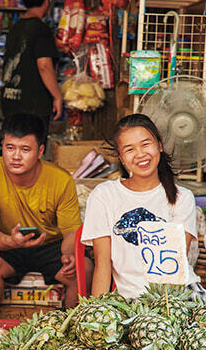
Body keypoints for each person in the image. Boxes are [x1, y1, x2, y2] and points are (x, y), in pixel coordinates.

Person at [0, 112, 83, 317]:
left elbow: (70, 231)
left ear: (40, 151)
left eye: (25, 149)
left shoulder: (60, 179)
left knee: (84, 269)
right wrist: (11, 241)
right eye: (9, 148)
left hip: (50, 246)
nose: (15, 156)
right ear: (2, 146)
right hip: (6, 245)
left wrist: (70, 256)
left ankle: (70, 337)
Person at [81, 113, 199, 299]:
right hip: (129, 301)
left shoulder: (182, 198)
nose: (140, 154)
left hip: (176, 299)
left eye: (146, 144)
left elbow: (174, 267)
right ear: (120, 157)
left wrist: (163, 312)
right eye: (129, 149)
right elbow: (102, 265)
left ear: (159, 145)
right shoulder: (104, 195)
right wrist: (98, 310)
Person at [1, 0, 62, 132]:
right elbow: (44, 66)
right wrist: (57, 96)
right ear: (47, 0)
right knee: (32, 149)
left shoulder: (16, 27)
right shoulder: (41, 29)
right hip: (33, 104)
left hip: (10, 100)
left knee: (14, 147)